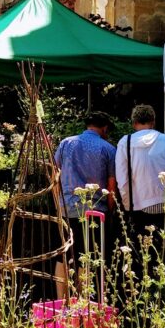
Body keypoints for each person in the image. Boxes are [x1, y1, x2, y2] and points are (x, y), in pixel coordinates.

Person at [115, 104, 165, 272]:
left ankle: (149, 285)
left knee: (145, 253)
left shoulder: (125, 142)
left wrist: (128, 207)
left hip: (141, 207)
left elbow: (122, 179)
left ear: (133, 123)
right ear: (153, 122)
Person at [54, 111, 117, 276]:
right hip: (95, 211)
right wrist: (110, 210)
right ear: (105, 128)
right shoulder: (108, 149)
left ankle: (62, 297)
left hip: (67, 208)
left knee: (64, 255)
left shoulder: (66, 143)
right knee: (87, 256)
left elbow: (54, 174)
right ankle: (83, 299)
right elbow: (111, 186)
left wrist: (58, 204)